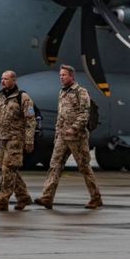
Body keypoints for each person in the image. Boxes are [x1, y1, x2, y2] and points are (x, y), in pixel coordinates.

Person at [35, 65, 102, 209]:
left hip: (77, 137)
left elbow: (84, 114)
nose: (61, 77)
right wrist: (57, 133)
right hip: (62, 137)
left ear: (72, 76)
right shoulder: (62, 92)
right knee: (54, 165)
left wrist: (74, 128)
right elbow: (61, 116)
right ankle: (47, 197)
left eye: (64, 75)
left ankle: (96, 198)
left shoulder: (81, 92)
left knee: (84, 167)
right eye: (60, 75)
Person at [0, 70, 36, 211]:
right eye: (2, 78)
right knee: (8, 169)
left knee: (8, 169)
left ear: (14, 80)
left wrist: (29, 140)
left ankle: (2, 201)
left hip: (15, 139)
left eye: (6, 79)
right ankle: (23, 197)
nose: (2, 81)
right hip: (2, 140)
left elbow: (30, 120)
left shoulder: (22, 98)